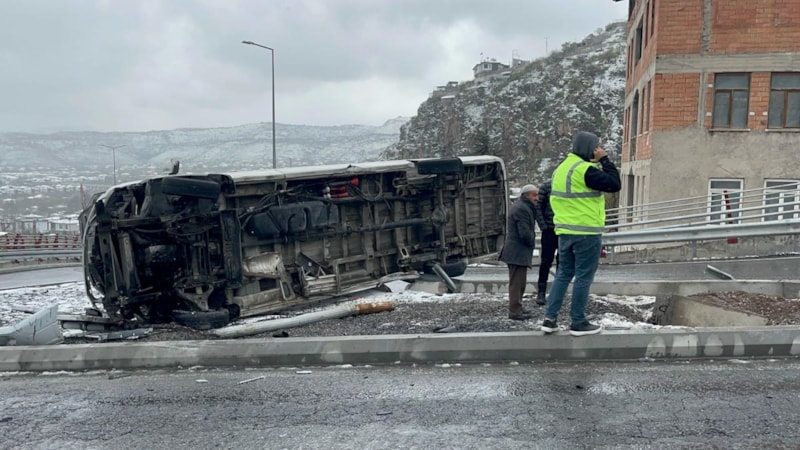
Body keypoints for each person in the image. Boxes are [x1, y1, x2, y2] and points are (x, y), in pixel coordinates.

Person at [541, 131, 620, 336]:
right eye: (595, 147)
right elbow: (614, 184)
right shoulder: (585, 170)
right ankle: (578, 322)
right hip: (586, 232)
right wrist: (605, 160)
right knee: (583, 277)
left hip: (565, 231)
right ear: (588, 148)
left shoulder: (561, 169)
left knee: (563, 274)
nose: (597, 151)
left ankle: (549, 319)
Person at [498, 184, 545, 320]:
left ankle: (517, 306)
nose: (537, 198)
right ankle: (515, 310)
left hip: (518, 250)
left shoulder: (523, 207)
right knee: (517, 283)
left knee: (520, 282)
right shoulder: (522, 209)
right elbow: (524, 232)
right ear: (527, 195)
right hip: (517, 251)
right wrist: (531, 242)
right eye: (534, 195)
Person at [535, 179, 557, 306]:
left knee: (563, 262)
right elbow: (538, 207)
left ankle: (558, 292)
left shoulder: (569, 184)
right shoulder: (547, 186)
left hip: (565, 229)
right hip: (549, 230)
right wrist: (543, 226)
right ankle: (541, 292)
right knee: (546, 261)